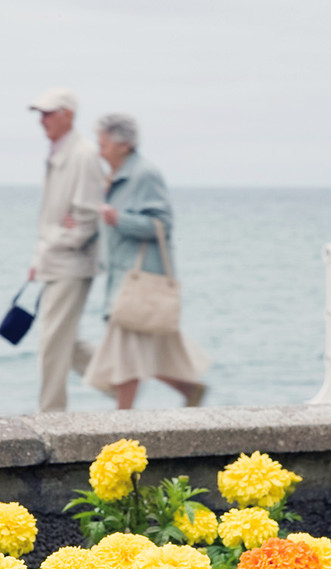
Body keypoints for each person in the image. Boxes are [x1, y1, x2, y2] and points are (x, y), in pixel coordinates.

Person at [82, 113, 209, 410]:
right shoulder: (114, 177)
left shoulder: (144, 174)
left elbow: (162, 225)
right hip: (122, 278)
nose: (100, 151)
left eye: (103, 145)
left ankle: (122, 426)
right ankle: (189, 390)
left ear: (124, 144)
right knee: (136, 356)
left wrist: (120, 219)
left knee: (127, 359)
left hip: (139, 280)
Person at [26, 87, 106, 413]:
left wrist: (53, 244)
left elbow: (85, 221)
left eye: (48, 113)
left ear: (68, 115)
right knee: (63, 342)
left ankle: (51, 418)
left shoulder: (83, 155)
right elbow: (59, 220)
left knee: (52, 343)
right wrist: (41, 256)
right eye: (40, 113)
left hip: (71, 262)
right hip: (56, 260)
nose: (42, 120)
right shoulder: (62, 151)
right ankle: (123, 385)